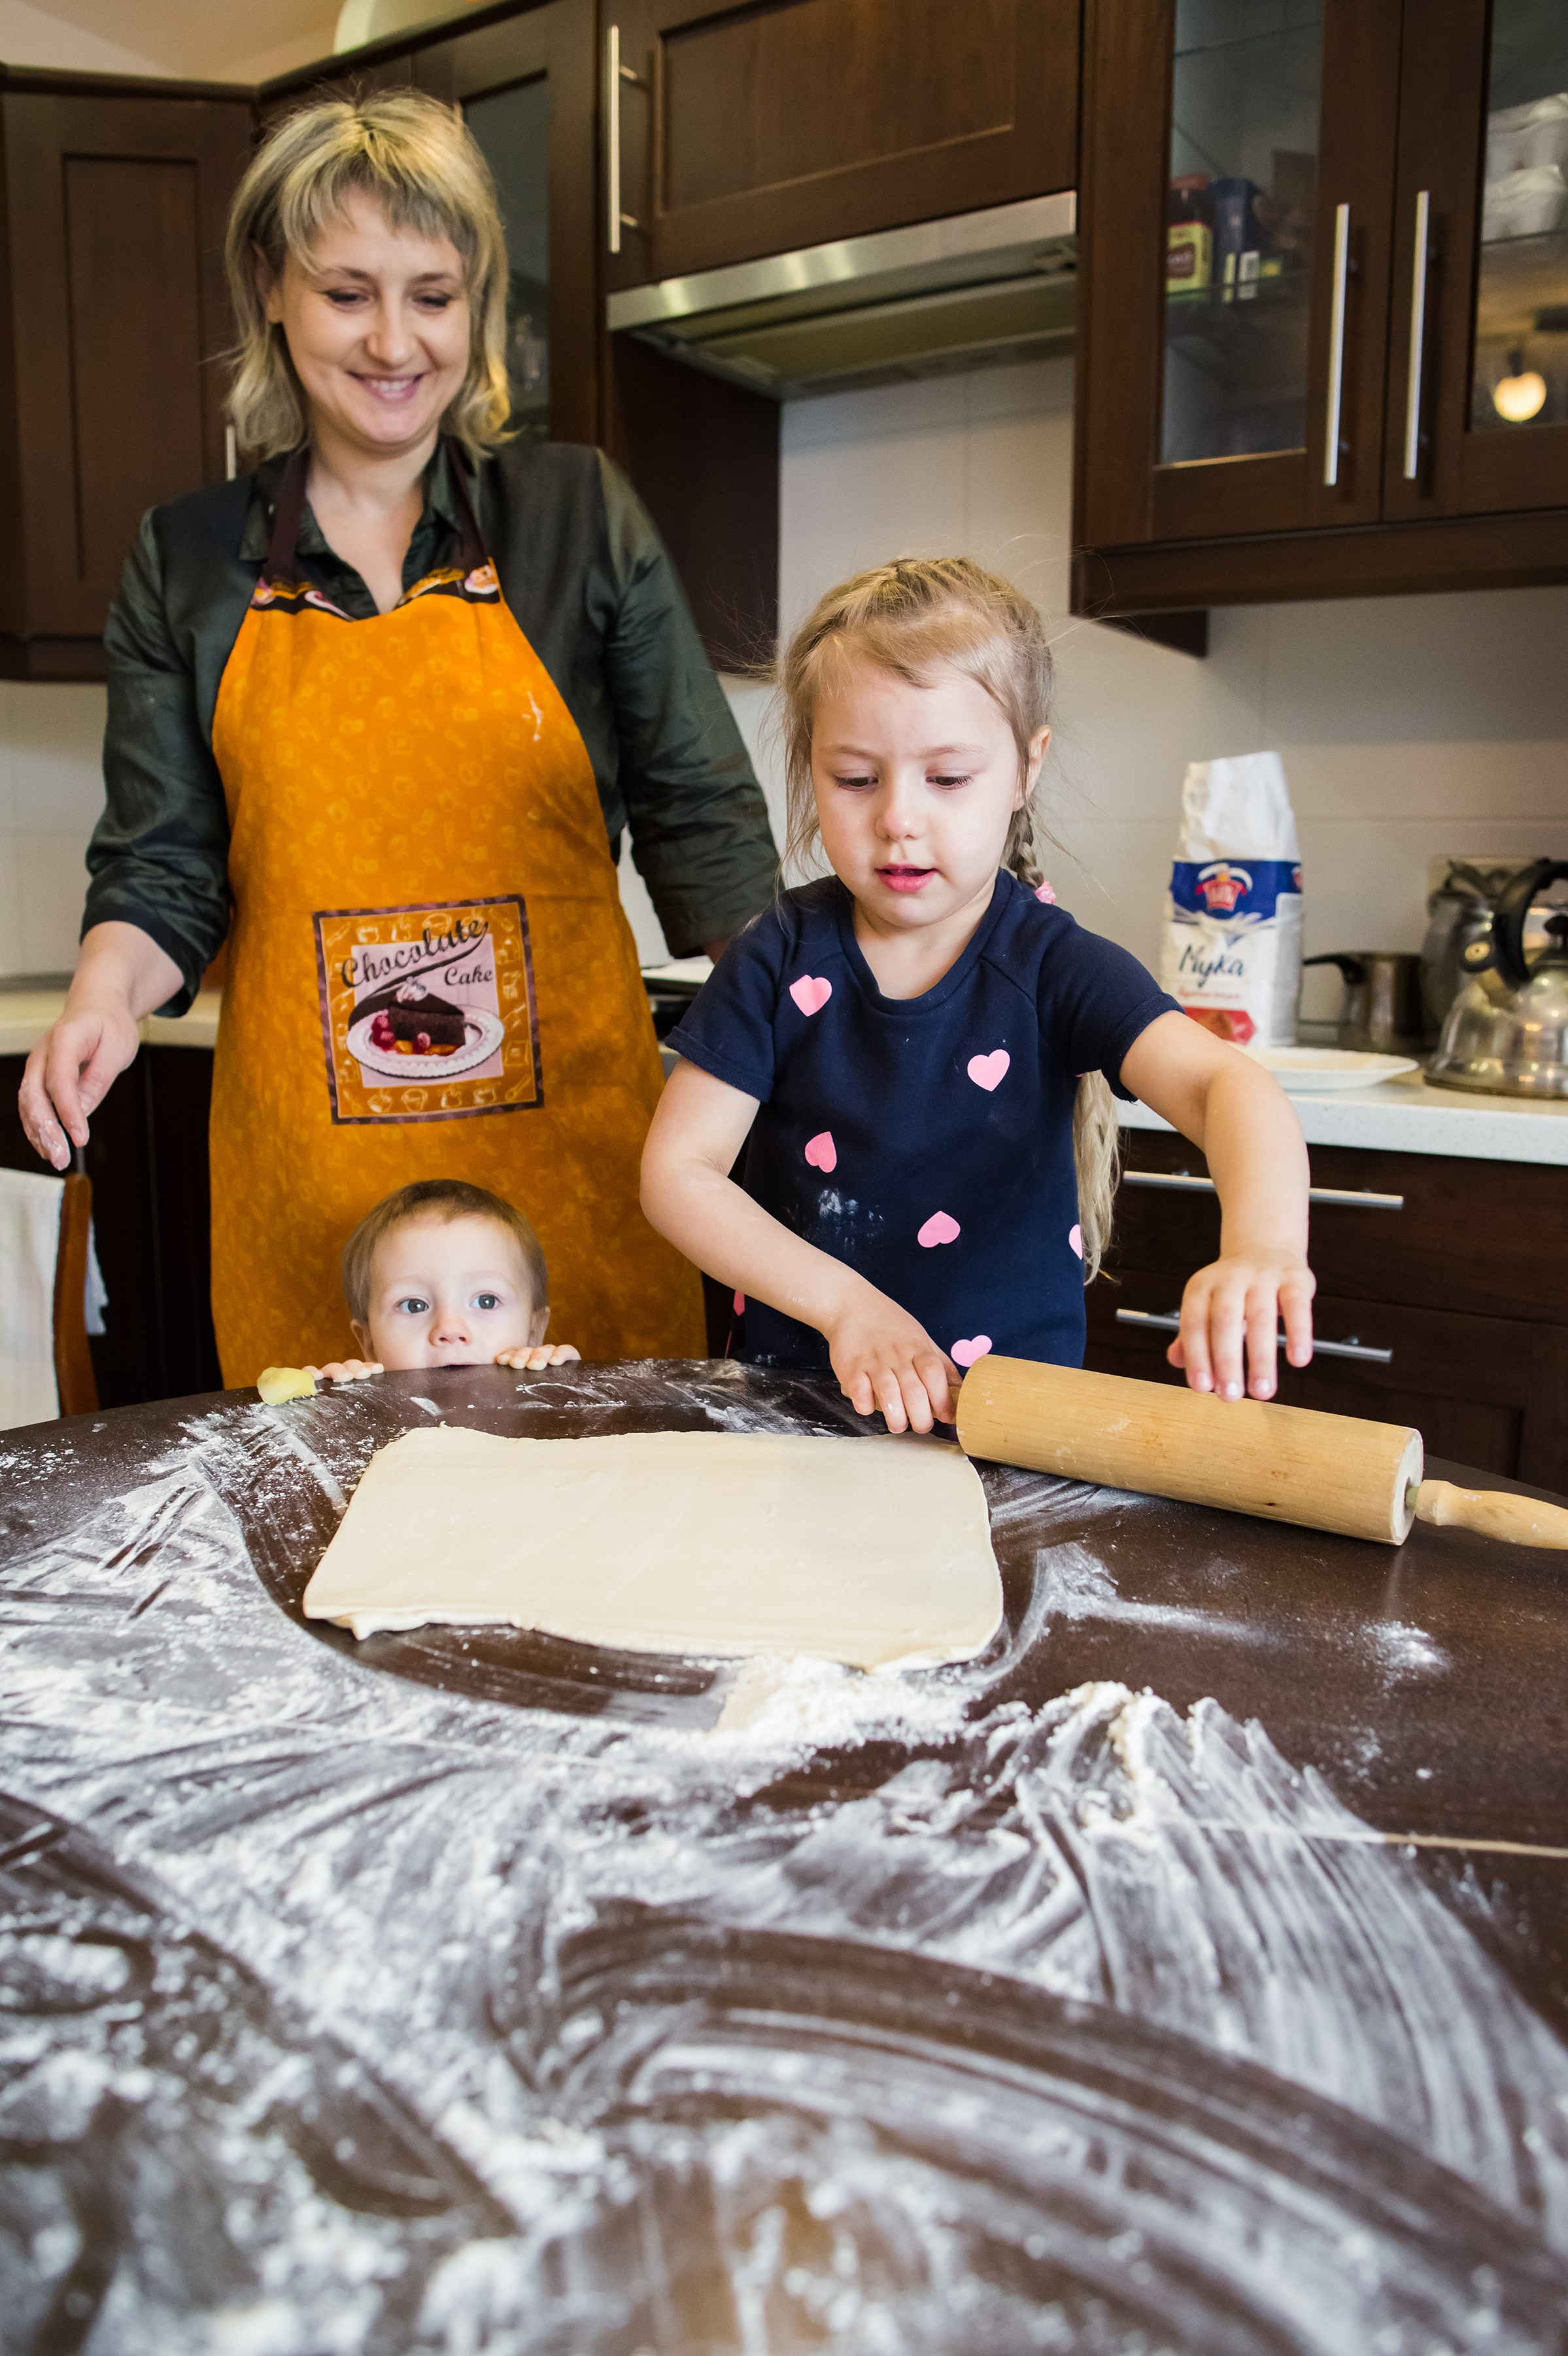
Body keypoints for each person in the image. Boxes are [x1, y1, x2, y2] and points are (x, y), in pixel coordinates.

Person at [18, 90, 776, 1381]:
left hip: (572, 1161)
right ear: (271, 286)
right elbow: (162, 863)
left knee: (602, 1520)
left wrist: (828, 1039)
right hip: (319, 1177)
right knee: (341, 1533)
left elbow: (702, 823)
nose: (393, 340)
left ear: (476, 303)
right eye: (346, 290)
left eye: (432, 293)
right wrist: (102, 996)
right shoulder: (186, 560)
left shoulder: (571, 516)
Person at [641, 557, 1317, 1435]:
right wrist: (848, 1307)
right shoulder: (774, 955)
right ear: (809, 769)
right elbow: (677, 1172)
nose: (898, 818)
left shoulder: (1051, 965)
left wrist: (1262, 1246)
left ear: (1025, 769)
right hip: (793, 1412)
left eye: (947, 777)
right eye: (854, 778)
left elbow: (1225, 1085)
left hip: (1004, 1426)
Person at [307, 1176, 579, 1381]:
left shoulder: (550, 1394)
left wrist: (567, 1383)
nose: (449, 1330)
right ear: (369, 1342)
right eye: (414, 1305)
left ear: (534, 1331)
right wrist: (331, 1407)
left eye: (486, 1301)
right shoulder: (359, 1412)